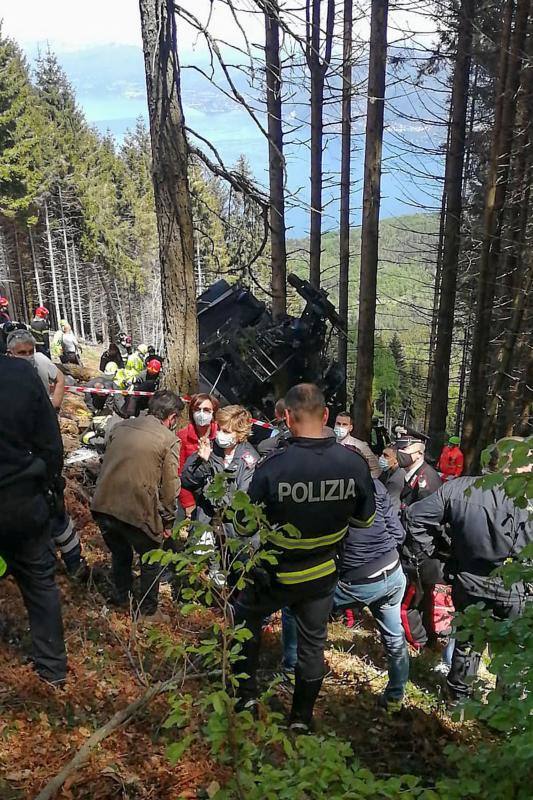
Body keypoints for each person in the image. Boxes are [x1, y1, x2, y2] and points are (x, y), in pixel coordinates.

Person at [233, 384, 376, 730]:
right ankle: (301, 719)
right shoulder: (353, 464)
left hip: (275, 573)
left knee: (245, 618)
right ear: (326, 416)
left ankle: (245, 699)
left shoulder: (273, 466)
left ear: (285, 417)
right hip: (321, 574)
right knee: (313, 645)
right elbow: (364, 519)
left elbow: (243, 525)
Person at [406, 448, 532, 703]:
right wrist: (435, 553)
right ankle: (502, 711)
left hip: (471, 580)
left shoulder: (461, 488)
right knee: (511, 651)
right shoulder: (526, 496)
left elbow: (415, 516)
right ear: (516, 464)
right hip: (515, 587)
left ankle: (458, 701)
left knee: (468, 643)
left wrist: (435, 553)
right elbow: (417, 517)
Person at [0, 355, 67, 684]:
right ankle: (52, 671)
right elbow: (51, 445)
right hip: (22, 502)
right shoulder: (21, 374)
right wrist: (50, 482)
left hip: (21, 498)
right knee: (40, 585)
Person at [91, 390, 183, 621]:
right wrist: (169, 521)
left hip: (103, 504)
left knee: (121, 551)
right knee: (152, 554)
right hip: (135, 509)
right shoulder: (169, 440)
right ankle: (148, 611)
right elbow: (170, 487)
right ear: (172, 417)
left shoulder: (121, 426)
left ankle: (121, 595)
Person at [334, 478, 409, 710]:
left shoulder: (332, 489)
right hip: (393, 570)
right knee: (395, 636)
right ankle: (395, 698)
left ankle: (292, 675)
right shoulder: (375, 483)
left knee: (299, 611)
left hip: (359, 578)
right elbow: (398, 532)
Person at [181, 405, 258, 577]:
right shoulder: (211, 449)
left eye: (226, 431)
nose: (220, 435)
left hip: (234, 529)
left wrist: (207, 487)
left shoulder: (249, 461)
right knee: (206, 571)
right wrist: (201, 462)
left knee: (235, 572)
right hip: (207, 520)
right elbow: (186, 480)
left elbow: (238, 502)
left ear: (239, 434)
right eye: (220, 429)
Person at [177, 393, 220, 517]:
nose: (201, 414)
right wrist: (189, 503)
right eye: (197, 409)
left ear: (213, 413)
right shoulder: (183, 436)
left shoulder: (220, 436)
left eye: (206, 410)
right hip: (192, 496)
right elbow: (178, 473)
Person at [7, 329, 65, 411]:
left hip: (43, 415)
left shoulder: (41, 360)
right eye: (22, 352)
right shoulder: (5, 372)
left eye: (31, 351)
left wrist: (55, 406)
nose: (28, 356)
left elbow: (60, 378)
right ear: (10, 353)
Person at [333, 410, 380, 476]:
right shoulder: (329, 443)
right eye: (338, 423)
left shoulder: (360, 446)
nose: (340, 427)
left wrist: (362, 481)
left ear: (350, 428)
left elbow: (376, 469)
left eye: (344, 424)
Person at [379, 446, 406, 515]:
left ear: (396, 460)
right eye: (382, 454)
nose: (381, 458)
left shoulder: (397, 479)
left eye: (386, 456)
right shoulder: (387, 471)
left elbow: (392, 506)